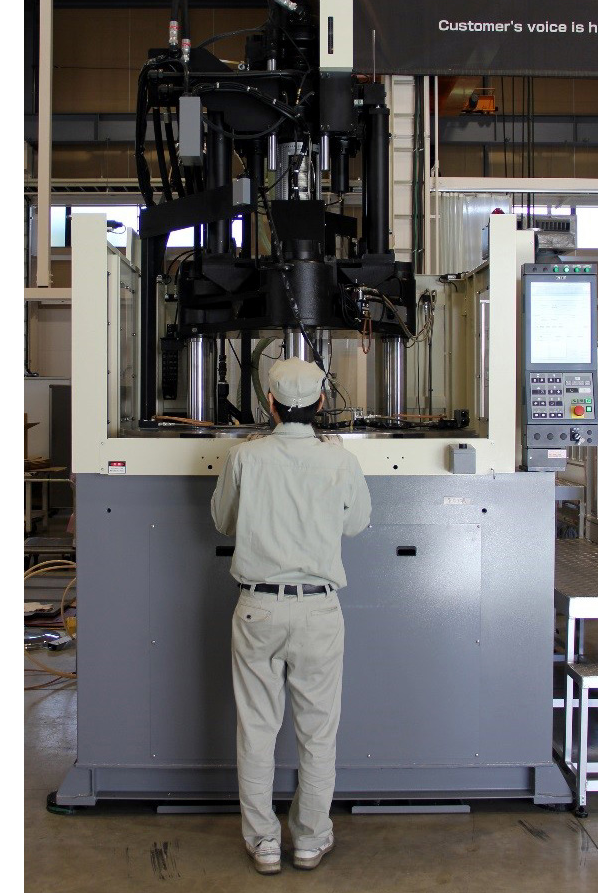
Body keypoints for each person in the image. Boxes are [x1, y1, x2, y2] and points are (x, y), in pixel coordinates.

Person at [209, 357, 371, 875]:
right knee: (318, 733)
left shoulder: (244, 457)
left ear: (269, 405)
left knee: (256, 730)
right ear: (322, 404)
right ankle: (309, 838)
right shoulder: (339, 461)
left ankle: (263, 843)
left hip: (258, 608)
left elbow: (222, 520)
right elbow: (358, 525)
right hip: (319, 610)